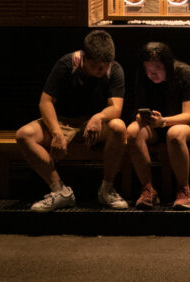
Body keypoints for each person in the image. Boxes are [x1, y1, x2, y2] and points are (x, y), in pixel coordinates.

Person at [15, 29, 128, 211]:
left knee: (119, 127)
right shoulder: (67, 64)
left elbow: (116, 108)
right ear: (84, 58)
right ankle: (60, 191)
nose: (101, 70)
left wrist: (98, 117)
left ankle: (107, 190)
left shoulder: (114, 70)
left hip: (94, 126)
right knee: (24, 135)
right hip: (64, 122)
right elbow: (45, 102)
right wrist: (56, 132)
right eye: (96, 66)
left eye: (105, 66)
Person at [125, 41, 190, 211]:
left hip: (184, 125)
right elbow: (137, 109)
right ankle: (148, 189)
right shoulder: (143, 75)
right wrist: (141, 117)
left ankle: (184, 190)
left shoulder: (184, 73)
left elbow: (189, 116)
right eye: (147, 70)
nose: (151, 74)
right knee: (132, 131)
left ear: (167, 65)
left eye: (156, 69)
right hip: (155, 125)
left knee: (174, 134)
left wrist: (164, 122)